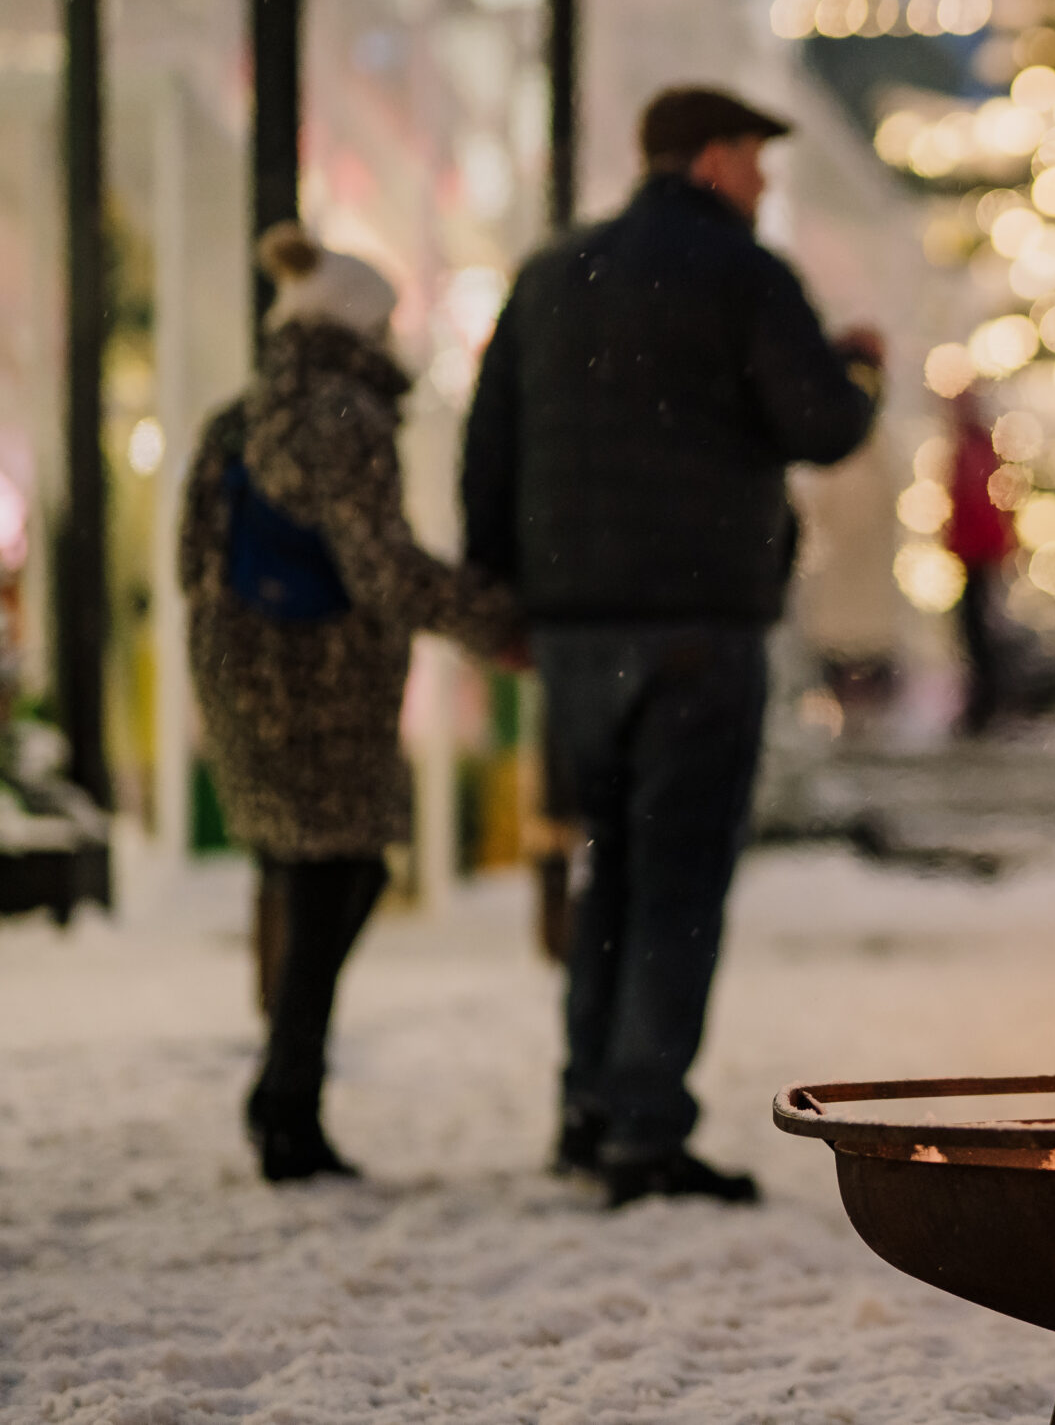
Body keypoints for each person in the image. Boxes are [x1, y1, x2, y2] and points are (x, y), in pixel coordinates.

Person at [462, 87, 880, 1206]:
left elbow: (488, 444)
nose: (763, 182)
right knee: (679, 873)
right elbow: (823, 426)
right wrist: (859, 372)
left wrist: (504, 602)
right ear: (710, 160)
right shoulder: (744, 276)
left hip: (573, 628)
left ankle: (589, 1105)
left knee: (606, 866)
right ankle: (645, 1125)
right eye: (755, 159)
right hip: (697, 621)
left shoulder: (552, 275)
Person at [181, 223, 519, 1182]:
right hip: (322, 680)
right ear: (359, 326)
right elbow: (382, 571)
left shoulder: (237, 415)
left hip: (243, 672)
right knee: (342, 876)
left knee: (319, 876)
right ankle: (286, 1100)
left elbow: (191, 560)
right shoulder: (343, 417)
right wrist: (496, 620)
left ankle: (286, 1092)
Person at [944, 391, 1014, 735]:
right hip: (975, 554)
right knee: (976, 632)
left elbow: (977, 507)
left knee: (978, 632)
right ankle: (985, 704)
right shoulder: (976, 449)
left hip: (977, 556)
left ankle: (986, 706)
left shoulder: (974, 451)